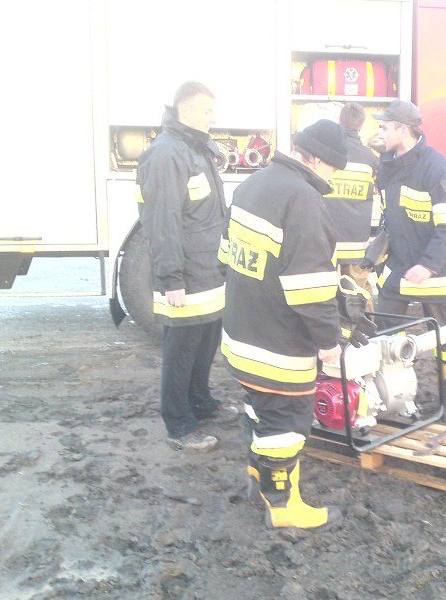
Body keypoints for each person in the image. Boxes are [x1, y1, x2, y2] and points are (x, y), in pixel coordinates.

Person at [219, 119, 352, 529]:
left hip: (241, 334)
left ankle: (257, 481)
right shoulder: (303, 200)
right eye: (332, 168)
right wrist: (329, 342)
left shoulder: (252, 185)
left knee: (258, 410)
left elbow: (226, 257)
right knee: (287, 422)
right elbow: (311, 289)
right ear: (316, 159)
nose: (330, 178)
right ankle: (283, 506)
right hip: (277, 346)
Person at [135, 81, 237, 452]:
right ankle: (179, 424)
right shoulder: (165, 155)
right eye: (208, 110)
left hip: (208, 271)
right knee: (181, 350)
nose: (213, 117)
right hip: (185, 276)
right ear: (186, 110)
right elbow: (161, 222)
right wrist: (170, 278)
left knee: (205, 342)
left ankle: (201, 402)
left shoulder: (196, 149)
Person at [370, 99, 446, 425]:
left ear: (403, 129)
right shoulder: (387, 165)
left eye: (384, 127)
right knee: (384, 330)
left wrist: (427, 266)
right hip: (399, 266)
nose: (380, 132)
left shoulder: (440, 172)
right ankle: (389, 394)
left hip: (435, 273)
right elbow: (390, 216)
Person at [324, 103, 380, 309]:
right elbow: (375, 187)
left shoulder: (328, 153)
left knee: (324, 289)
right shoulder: (370, 159)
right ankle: (367, 329)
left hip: (327, 238)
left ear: (339, 120)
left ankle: (329, 330)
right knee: (359, 288)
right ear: (362, 125)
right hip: (356, 240)